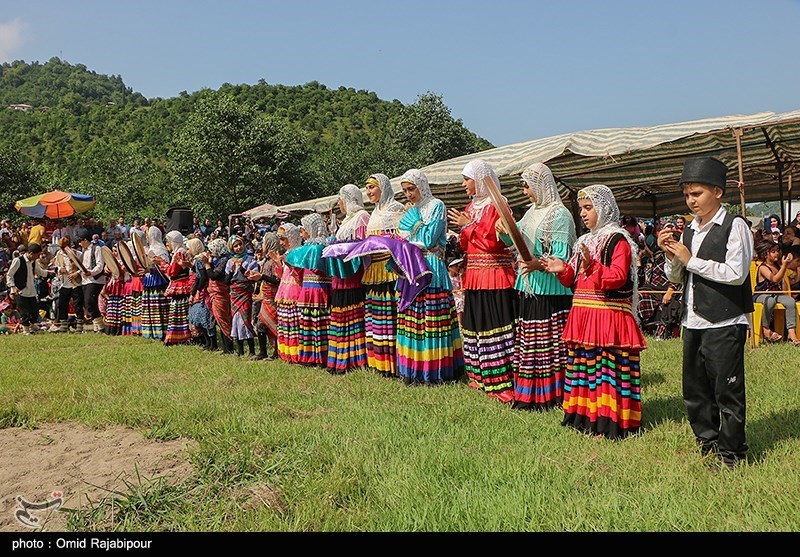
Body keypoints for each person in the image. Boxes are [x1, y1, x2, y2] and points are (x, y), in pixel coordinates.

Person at [660, 156, 753, 470]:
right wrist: (671, 255)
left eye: (697, 193)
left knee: (727, 390)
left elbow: (736, 273)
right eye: (687, 194)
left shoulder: (735, 225)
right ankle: (708, 444)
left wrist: (690, 260)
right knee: (695, 390)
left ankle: (732, 454)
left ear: (718, 192)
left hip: (725, 320)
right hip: (694, 321)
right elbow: (677, 278)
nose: (691, 200)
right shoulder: (690, 230)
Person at [544, 184, 646, 439]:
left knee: (607, 370)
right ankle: (585, 417)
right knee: (587, 368)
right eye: (581, 209)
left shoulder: (618, 239)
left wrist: (592, 266)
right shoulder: (584, 241)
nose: (583, 214)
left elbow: (619, 277)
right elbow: (574, 278)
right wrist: (562, 269)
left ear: (603, 208)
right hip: (585, 313)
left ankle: (610, 422)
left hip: (608, 314)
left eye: (588, 208)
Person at [496, 163, 576, 411]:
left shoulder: (559, 215)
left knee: (548, 344)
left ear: (541, 186)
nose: (525, 191)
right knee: (531, 342)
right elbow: (518, 242)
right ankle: (531, 392)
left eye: (527, 186)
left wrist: (537, 264)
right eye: (523, 186)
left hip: (550, 289)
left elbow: (561, 257)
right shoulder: (531, 213)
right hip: (529, 284)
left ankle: (551, 395)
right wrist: (504, 229)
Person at [448, 159, 516, 402]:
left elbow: (493, 242)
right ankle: (481, 377)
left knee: (495, 322)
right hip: (475, 274)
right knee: (476, 324)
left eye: (467, 179)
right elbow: (468, 243)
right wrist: (468, 228)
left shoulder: (498, 204)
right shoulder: (471, 206)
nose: (464, 184)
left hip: (495, 273)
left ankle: (503, 381)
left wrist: (469, 226)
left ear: (479, 179)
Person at [397, 169, 464, 385]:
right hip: (412, 268)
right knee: (415, 320)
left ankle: (435, 371)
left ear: (422, 186)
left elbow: (428, 238)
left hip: (431, 267)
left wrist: (414, 220)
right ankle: (414, 370)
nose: (409, 194)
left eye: (411, 189)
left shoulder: (437, 206)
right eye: (405, 191)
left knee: (432, 320)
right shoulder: (413, 209)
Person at [362, 173, 405, 377]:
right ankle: (380, 362)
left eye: (372, 187)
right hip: (373, 271)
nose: (369, 192)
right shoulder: (373, 213)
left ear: (383, 187)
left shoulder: (395, 209)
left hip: (390, 270)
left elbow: (402, 238)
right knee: (377, 317)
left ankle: (395, 363)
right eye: (367, 188)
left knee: (391, 316)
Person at [325, 184, 370, 374]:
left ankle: (354, 359)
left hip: (353, 274)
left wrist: (343, 248)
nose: (339, 203)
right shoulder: (346, 221)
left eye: (341, 199)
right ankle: (339, 359)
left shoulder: (362, 217)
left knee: (353, 316)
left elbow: (364, 246)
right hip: (340, 275)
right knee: (340, 315)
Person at [286, 213, 332, 367]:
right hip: (308, 289)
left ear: (312, 229)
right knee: (308, 324)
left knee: (319, 324)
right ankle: (309, 357)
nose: (302, 233)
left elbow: (320, 268)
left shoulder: (321, 247)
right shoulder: (307, 247)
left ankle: (320, 358)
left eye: (304, 229)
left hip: (319, 289)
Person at [753, 240, 798, 344]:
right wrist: (784, 266)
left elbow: (782, 283)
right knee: (770, 301)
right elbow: (775, 279)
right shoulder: (763, 267)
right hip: (761, 295)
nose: (777, 253)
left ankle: (792, 333)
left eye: (777, 251)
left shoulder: (777, 266)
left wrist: (783, 266)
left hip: (776, 294)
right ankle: (766, 329)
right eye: (773, 251)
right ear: (765, 254)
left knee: (790, 301)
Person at [225, 235, 259, 357]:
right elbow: (226, 281)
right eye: (235, 246)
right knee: (235, 319)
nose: (239, 247)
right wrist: (231, 271)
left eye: (240, 244)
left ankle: (251, 351)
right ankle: (240, 351)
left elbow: (253, 277)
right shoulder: (230, 262)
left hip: (245, 292)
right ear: (231, 248)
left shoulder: (250, 260)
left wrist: (242, 268)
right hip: (234, 293)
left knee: (245, 319)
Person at [249, 233, 281, 360]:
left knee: (275, 324)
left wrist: (261, 277)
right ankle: (263, 352)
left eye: (264, 243)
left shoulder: (274, 260)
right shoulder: (266, 260)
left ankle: (277, 352)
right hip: (266, 296)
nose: (262, 246)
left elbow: (278, 280)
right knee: (261, 324)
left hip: (274, 297)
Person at [275, 223, 304, 363]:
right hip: (284, 292)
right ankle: (287, 354)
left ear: (292, 237)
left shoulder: (300, 252)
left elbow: (301, 276)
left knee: (295, 325)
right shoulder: (287, 254)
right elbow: (283, 275)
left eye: (284, 239)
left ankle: (297, 354)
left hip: (295, 293)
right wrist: (279, 265)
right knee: (286, 325)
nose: (282, 243)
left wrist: (289, 264)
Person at [6, 243, 49, 334]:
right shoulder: (18, 261)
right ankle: (26, 330)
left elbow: (39, 271)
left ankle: (33, 326)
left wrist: (51, 271)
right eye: (37, 255)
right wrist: (13, 287)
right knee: (24, 312)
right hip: (20, 291)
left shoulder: (34, 262)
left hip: (31, 290)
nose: (37, 257)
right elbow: (9, 275)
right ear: (31, 253)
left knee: (35, 311)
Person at [201, 238, 234, 354]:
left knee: (223, 319)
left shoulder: (224, 260)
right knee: (220, 320)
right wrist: (209, 262)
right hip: (217, 293)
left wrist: (206, 263)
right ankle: (226, 348)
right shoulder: (220, 259)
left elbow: (214, 275)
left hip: (221, 293)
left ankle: (229, 348)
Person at [163, 230, 194, 345]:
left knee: (179, 312)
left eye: (169, 241)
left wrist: (163, 265)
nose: (169, 244)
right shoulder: (182, 251)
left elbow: (172, 272)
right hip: (182, 283)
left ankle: (180, 336)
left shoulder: (178, 253)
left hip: (180, 284)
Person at [141, 226, 170, 341]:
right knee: (149, 307)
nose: (147, 237)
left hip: (158, 281)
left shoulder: (160, 249)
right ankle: (151, 332)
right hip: (149, 281)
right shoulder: (149, 248)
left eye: (148, 235)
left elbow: (165, 266)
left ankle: (161, 332)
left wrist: (151, 269)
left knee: (158, 307)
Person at [187, 237, 216, 350]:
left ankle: (212, 343)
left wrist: (198, 292)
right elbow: (198, 278)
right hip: (200, 290)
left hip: (205, 291)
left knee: (205, 317)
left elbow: (203, 277)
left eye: (188, 248)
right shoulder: (197, 260)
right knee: (197, 317)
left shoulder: (200, 259)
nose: (187, 250)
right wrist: (192, 293)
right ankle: (208, 342)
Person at [77, 231, 106, 333]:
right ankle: (97, 326)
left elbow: (100, 265)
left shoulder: (96, 248)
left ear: (85, 240)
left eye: (80, 241)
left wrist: (91, 272)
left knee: (90, 301)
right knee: (87, 303)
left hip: (95, 280)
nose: (79, 244)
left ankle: (100, 325)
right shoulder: (84, 251)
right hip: (85, 280)